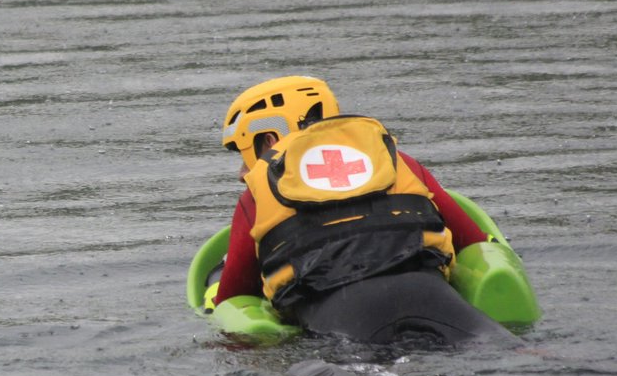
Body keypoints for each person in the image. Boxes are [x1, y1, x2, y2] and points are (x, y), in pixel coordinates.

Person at [214, 75, 511, 345]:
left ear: (270, 139)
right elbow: (474, 243)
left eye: (243, 154)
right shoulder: (396, 160)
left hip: (343, 321)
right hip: (433, 299)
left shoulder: (255, 195)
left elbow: (232, 297)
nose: (242, 172)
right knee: (515, 354)